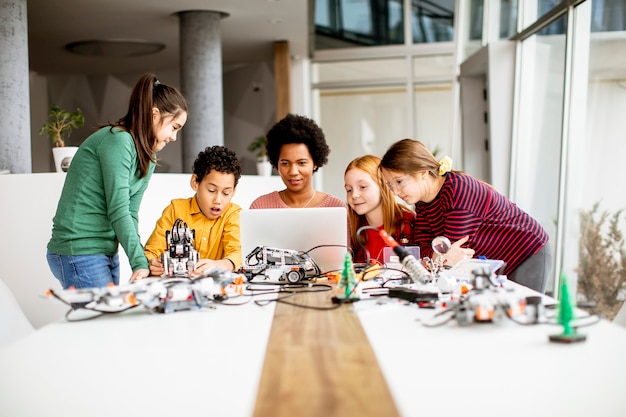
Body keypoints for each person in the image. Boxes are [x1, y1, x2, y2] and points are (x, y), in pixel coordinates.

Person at [47, 73, 188, 289]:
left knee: (109, 320)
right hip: (79, 250)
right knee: (102, 321)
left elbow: (131, 213)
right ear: (154, 115)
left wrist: (141, 259)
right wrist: (139, 261)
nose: (173, 137)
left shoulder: (148, 157)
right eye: (174, 127)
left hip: (105, 251)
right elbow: (118, 209)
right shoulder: (119, 140)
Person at [379, 138, 552, 293]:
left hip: (526, 251)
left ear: (422, 173)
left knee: (522, 317)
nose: (395, 192)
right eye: (391, 185)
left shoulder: (458, 190)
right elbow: (423, 250)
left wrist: (439, 256)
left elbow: (455, 253)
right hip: (496, 263)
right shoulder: (423, 204)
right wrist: (440, 256)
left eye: (399, 181)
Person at [144, 146, 243, 275]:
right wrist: (152, 262)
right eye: (211, 190)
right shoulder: (175, 210)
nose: (218, 200)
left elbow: (237, 252)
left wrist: (222, 264)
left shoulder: (233, 214)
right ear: (195, 182)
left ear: (234, 191)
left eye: (226, 193)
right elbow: (151, 251)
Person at [249, 113, 345, 209]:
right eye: (285, 163)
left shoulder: (335, 207)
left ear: (315, 163)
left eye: (301, 163)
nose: (293, 172)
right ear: (276, 163)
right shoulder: (261, 207)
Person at [344, 155, 415, 264]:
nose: (354, 195)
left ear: (383, 186)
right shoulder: (351, 230)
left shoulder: (409, 221)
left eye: (362, 187)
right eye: (349, 190)